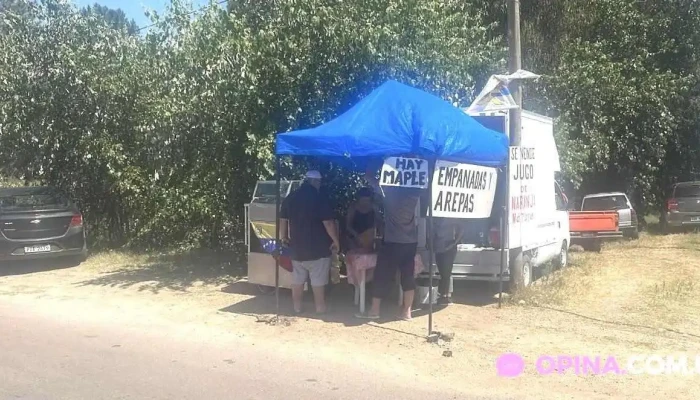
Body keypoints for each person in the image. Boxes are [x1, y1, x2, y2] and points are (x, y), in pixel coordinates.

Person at [357, 166, 422, 320]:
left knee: (381, 274)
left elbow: (372, 182)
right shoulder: (414, 193)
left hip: (392, 242)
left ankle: (374, 311)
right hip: (410, 242)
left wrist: (369, 170)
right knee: (407, 275)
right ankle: (407, 312)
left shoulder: (390, 193)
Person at [279, 170, 340, 314]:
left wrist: (284, 237)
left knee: (298, 280)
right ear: (316, 182)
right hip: (318, 248)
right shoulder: (319, 198)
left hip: (297, 249)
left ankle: (297, 307)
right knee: (318, 280)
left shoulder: (291, 197)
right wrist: (336, 241)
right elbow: (329, 223)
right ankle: (320, 307)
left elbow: (283, 220)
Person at [432, 217, 463, 305]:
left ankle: (445, 296)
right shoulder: (436, 217)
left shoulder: (452, 216)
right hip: (439, 246)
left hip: (449, 245)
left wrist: (454, 243)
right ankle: (443, 295)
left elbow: (461, 228)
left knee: (446, 272)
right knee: (442, 272)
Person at [345, 187, 377, 252]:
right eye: (363, 200)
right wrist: (357, 236)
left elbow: (379, 222)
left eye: (367, 201)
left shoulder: (374, 207)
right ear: (359, 198)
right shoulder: (353, 207)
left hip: (369, 239)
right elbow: (348, 226)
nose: (365, 203)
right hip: (354, 238)